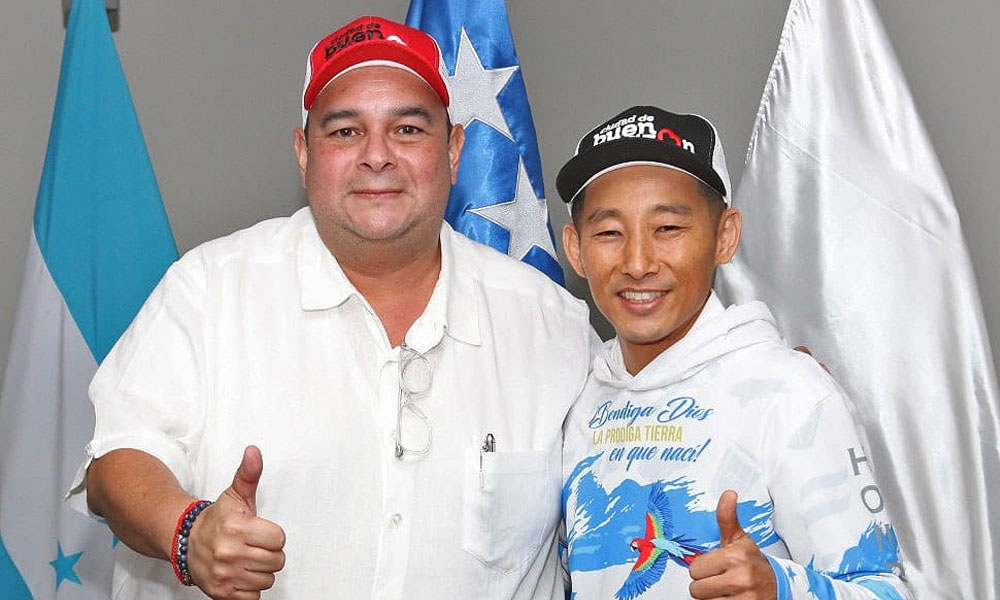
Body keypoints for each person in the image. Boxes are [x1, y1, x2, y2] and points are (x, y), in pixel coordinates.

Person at [67, 15, 593, 599]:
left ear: (453, 151)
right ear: (303, 153)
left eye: (408, 129)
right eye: (345, 131)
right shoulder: (210, 290)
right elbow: (117, 461)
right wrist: (188, 533)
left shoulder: (551, 325)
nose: (377, 156)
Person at [556, 106, 912, 599]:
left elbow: (887, 590)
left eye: (668, 228)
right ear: (575, 249)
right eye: (609, 233)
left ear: (725, 237)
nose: (637, 263)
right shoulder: (576, 401)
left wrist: (781, 589)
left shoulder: (790, 393)